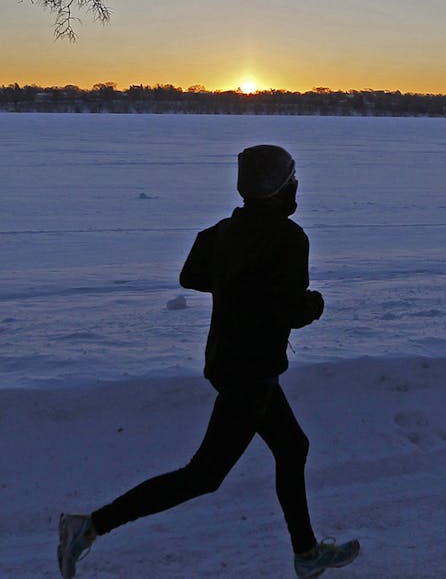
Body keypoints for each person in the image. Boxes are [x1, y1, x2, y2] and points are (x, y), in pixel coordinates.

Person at [57, 144, 360, 579]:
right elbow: (293, 311)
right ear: (277, 188)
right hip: (251, 373)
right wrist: (315, 303)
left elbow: (192, 276)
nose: (297, 186)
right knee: (203, 475)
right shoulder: (290, 239)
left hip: (226, 362)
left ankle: (307, 553)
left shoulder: (222, 232)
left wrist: (240, 284)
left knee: (293, 447)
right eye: (292, 179)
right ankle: (88, 526)